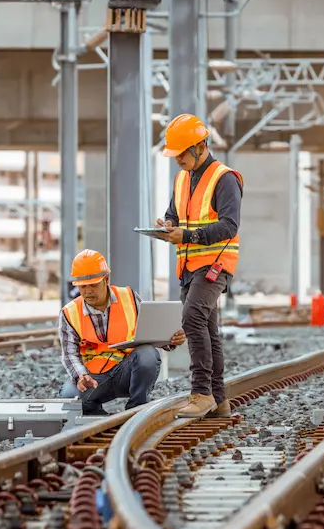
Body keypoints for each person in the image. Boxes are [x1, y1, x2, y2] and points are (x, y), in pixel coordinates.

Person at [156, 114, 243, 419]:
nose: (178, 159)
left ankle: (201, 392)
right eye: (175, 154)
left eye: (182, 153)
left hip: (215, 264)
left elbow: (229, 226)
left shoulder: (225, 178)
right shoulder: (182, 178)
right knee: (207, 328)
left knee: (192, 318)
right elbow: (174, 214)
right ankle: (218, 399)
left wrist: (188, 236)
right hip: (189, 266)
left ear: (200, 146)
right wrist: (168, 225)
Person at [59, 249, 186, 416]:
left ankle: (137, 408)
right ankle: (94, 413)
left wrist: (171, 340)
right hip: (94, 378)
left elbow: (151, 331)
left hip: (127, 372)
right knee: (68, 396)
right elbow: (70, 354)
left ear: (106, 279)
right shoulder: (70, 312)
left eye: (93, 285)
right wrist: (81, 376)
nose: (88, 291)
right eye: (83, 286)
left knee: (148, 354)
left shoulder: (129, 298)